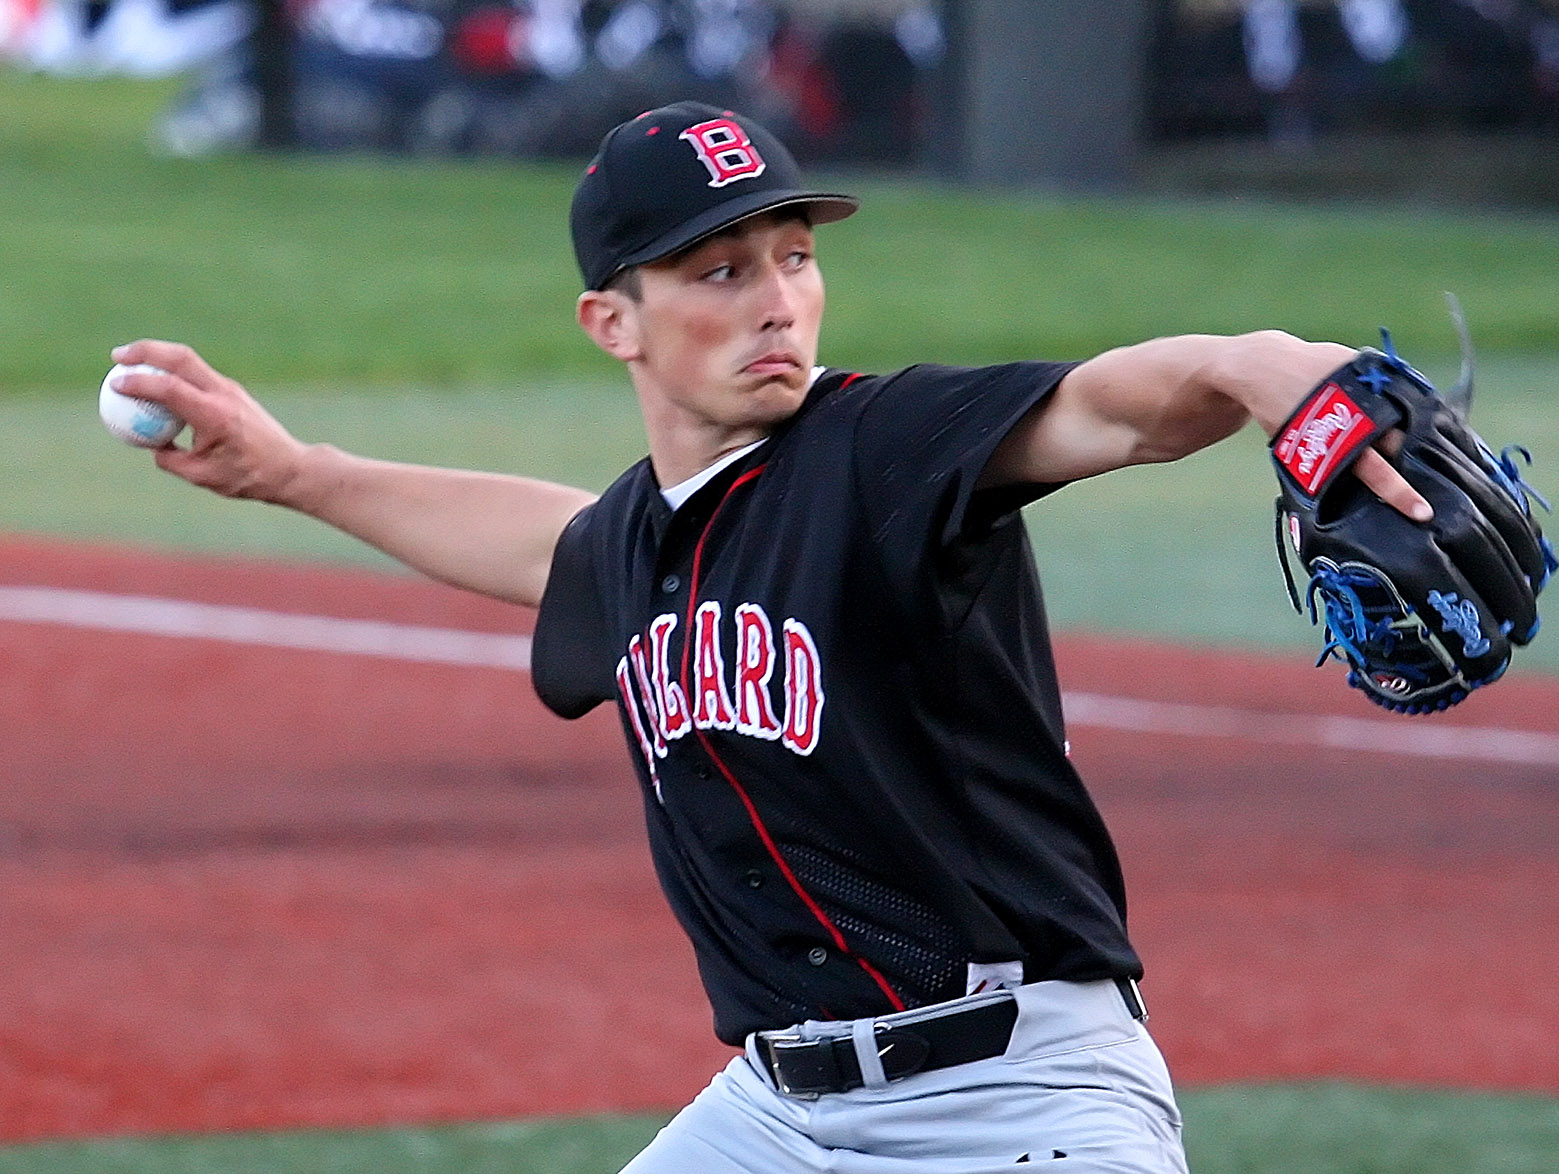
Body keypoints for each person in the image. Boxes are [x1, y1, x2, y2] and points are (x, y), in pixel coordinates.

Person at [111, 101, 1429, 1173]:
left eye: (795, 255)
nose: (777, 301)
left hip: (1020, 1101)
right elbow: (550, 546)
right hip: (778, 1116)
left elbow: (1114, 411)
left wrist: (1263, 360)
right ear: (611, 321)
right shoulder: (643, 542)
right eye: (720, 270)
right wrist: (291, 471)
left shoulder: (883, 450)